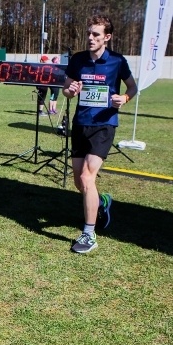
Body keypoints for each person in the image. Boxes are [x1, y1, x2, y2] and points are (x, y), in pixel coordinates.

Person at [61, 15, 137, 254]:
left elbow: (132, 87)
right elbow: (65, 90)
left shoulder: (117, 61)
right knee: (79, 182)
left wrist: (124, 98)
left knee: (87, 177)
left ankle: (89, 234)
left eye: (96, 34)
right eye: (89, 33)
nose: (91, 38)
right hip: (80, 124)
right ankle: (102, 202)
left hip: (104, 124)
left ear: (107, 37)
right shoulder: (78, 59)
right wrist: (71, 90)